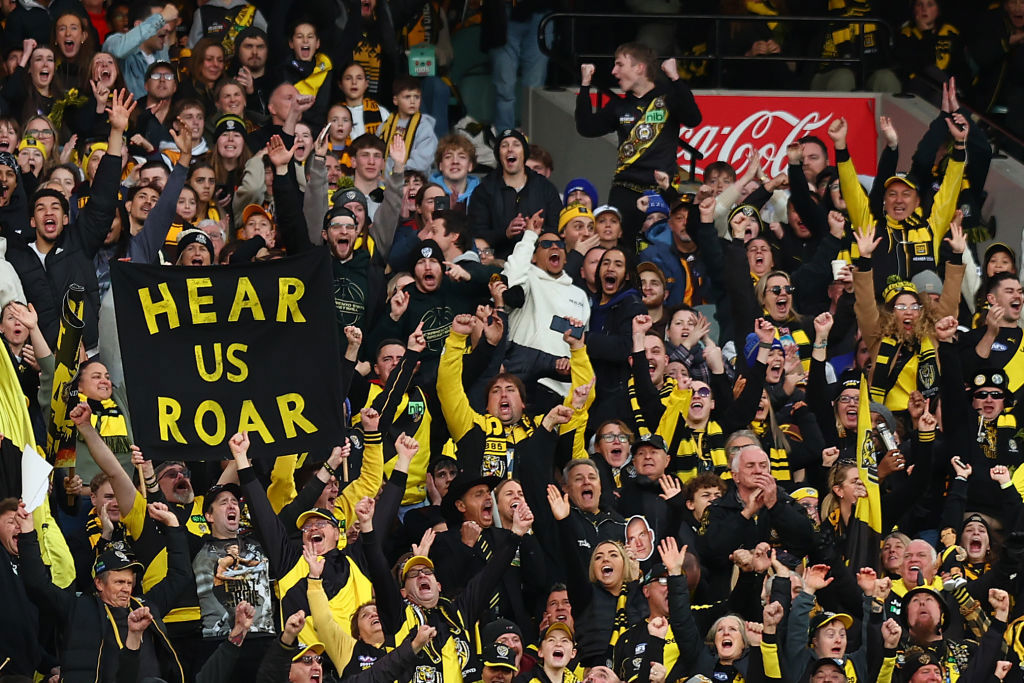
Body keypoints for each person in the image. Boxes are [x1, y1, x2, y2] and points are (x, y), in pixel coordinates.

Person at [576, 43, 701, 242]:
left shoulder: (668, 99)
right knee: (620, 248)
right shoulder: (618, 105)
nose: (613, 71)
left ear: (639, 67)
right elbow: (586, 128)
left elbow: (694, 118)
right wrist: (584, 85)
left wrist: (675, 78)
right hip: (624, 190)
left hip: (660, 189)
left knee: (661, 247)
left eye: (619, 65)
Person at [468, 129, 563, 259]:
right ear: (498, 155)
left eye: (516, 145)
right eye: (504, 145)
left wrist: (536, 231)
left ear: (524, 154)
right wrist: (505, 233)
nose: (510, 149)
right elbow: (477, 233)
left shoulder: (545, 187)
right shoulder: (484, 190)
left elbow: (557, 228)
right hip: (497, 263)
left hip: (537, 263)